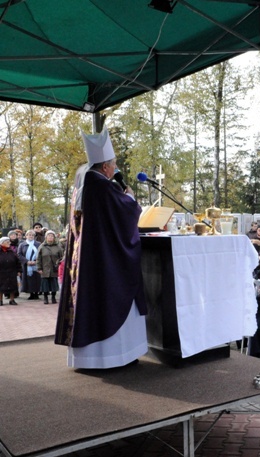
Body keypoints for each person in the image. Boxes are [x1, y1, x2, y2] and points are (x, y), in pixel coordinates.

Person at [55, 127, 148, 369]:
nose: (115, 169)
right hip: (106, 261)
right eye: (114, 164)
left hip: (86, 257)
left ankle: (89, 359)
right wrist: (130, 197)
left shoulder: (82, 184)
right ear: (106, 167)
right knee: (110, 298)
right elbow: (126, 212)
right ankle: (114, 357)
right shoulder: (102, 186)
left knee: (89, 300)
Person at [36, 230, 64, 304]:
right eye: (49, 236)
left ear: (54, 237)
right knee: (45, 284)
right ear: (46, 237)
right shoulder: (42, 246)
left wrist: (59, 264)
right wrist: (39, 268)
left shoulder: (58, 246)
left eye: (52, 236)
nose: (50, 237)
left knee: (54, 284)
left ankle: (53, 297)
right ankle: (45, 298)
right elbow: (38, 258)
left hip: (54, 268)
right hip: (45, 268)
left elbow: (62, 257)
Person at [18, 230, 42, 300]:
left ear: (34, 236)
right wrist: (27, 261)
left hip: (36, 265)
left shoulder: (38, 244)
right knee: (29, 280)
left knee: (37, 279)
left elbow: (41, 254)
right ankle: (31, 293)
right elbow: (19, 254)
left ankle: (36, 293)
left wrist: (35, 261)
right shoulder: (22, 244)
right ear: (26, 236)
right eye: (29, 235)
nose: (30, 236)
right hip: (26, 266)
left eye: (32, 235)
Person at [0, 236, 21, 305]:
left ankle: (12, 300)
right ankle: (0, 300)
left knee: (13, 286)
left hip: (12, 271)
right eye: (7, 242)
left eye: (9, 242)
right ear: (2, 243)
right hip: (1, 272)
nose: (9, 243)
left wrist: (19, 270)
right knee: (1, 286)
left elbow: (17, 261)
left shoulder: (12, 251)